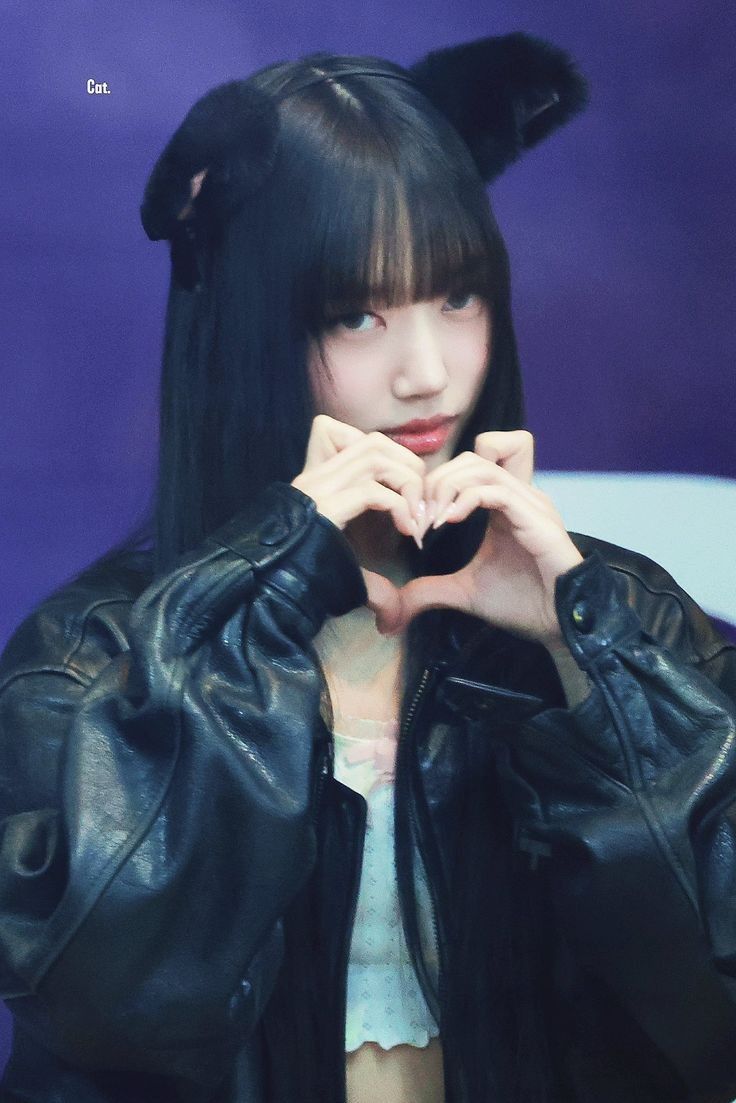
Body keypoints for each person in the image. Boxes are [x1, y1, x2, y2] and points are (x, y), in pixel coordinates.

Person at [0, 32, 735, 1103]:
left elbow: (711, 1016)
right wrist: (261, 601)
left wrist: (591, 661)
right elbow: (110, 1011)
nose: (428, 372)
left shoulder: (616, 618)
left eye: (459, 298)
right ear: (249, 328)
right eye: (357, 314)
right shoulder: (91, 656)